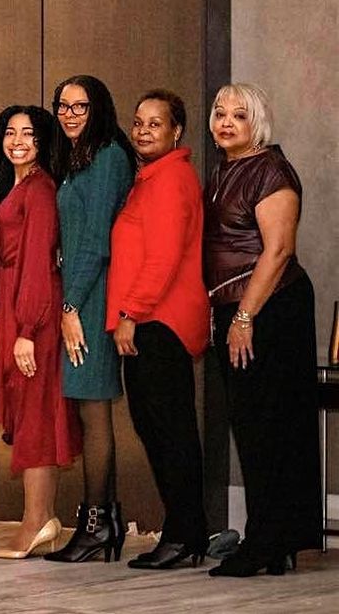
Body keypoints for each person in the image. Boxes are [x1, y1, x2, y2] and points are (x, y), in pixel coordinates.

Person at [203, 83, 320, 577]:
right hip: (239, 308)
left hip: (269, 309)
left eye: (239, 115)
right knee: (252, 428)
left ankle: (267, 542)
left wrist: (244, 318)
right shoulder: (224, 169)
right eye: (220, 113)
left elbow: (278, 251)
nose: (226, 122)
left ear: (258, 123)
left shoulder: (271, 169)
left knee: (267, 428)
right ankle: (274, 539)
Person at [107, 90, 210, 570]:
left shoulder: (170, 179)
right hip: (148, 322)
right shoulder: (149, 178)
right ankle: (183, 531)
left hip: (160, 324)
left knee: (170, 433)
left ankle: (185, 534)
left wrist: (131, 312)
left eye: (155, 123)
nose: (144, 130)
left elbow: (164, 257)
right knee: (157, 430)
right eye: (139, 122)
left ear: (176, 131)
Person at [44, 75, 135, 565]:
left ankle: (95, 525)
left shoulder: (108, 157)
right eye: (63, 105)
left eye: (80, 106)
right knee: (87, 409)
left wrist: (71, 307)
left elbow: (98, 241)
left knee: (94, 411)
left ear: (98, 108)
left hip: (92, 300)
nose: (70, 114)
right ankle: (107, 521)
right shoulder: (79, 158)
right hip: (79, 294)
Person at [0, 105, 81, 559]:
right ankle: (41, 520)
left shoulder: (39, 189)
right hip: (16, 305)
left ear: (43, 142)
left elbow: (40, 261)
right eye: (10, 132)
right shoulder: (19, 184)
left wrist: (27, 328)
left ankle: (37, 521)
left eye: (28, 134)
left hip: (32, 313)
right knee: (29, 411)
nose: (17, 141)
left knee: (38, 414)